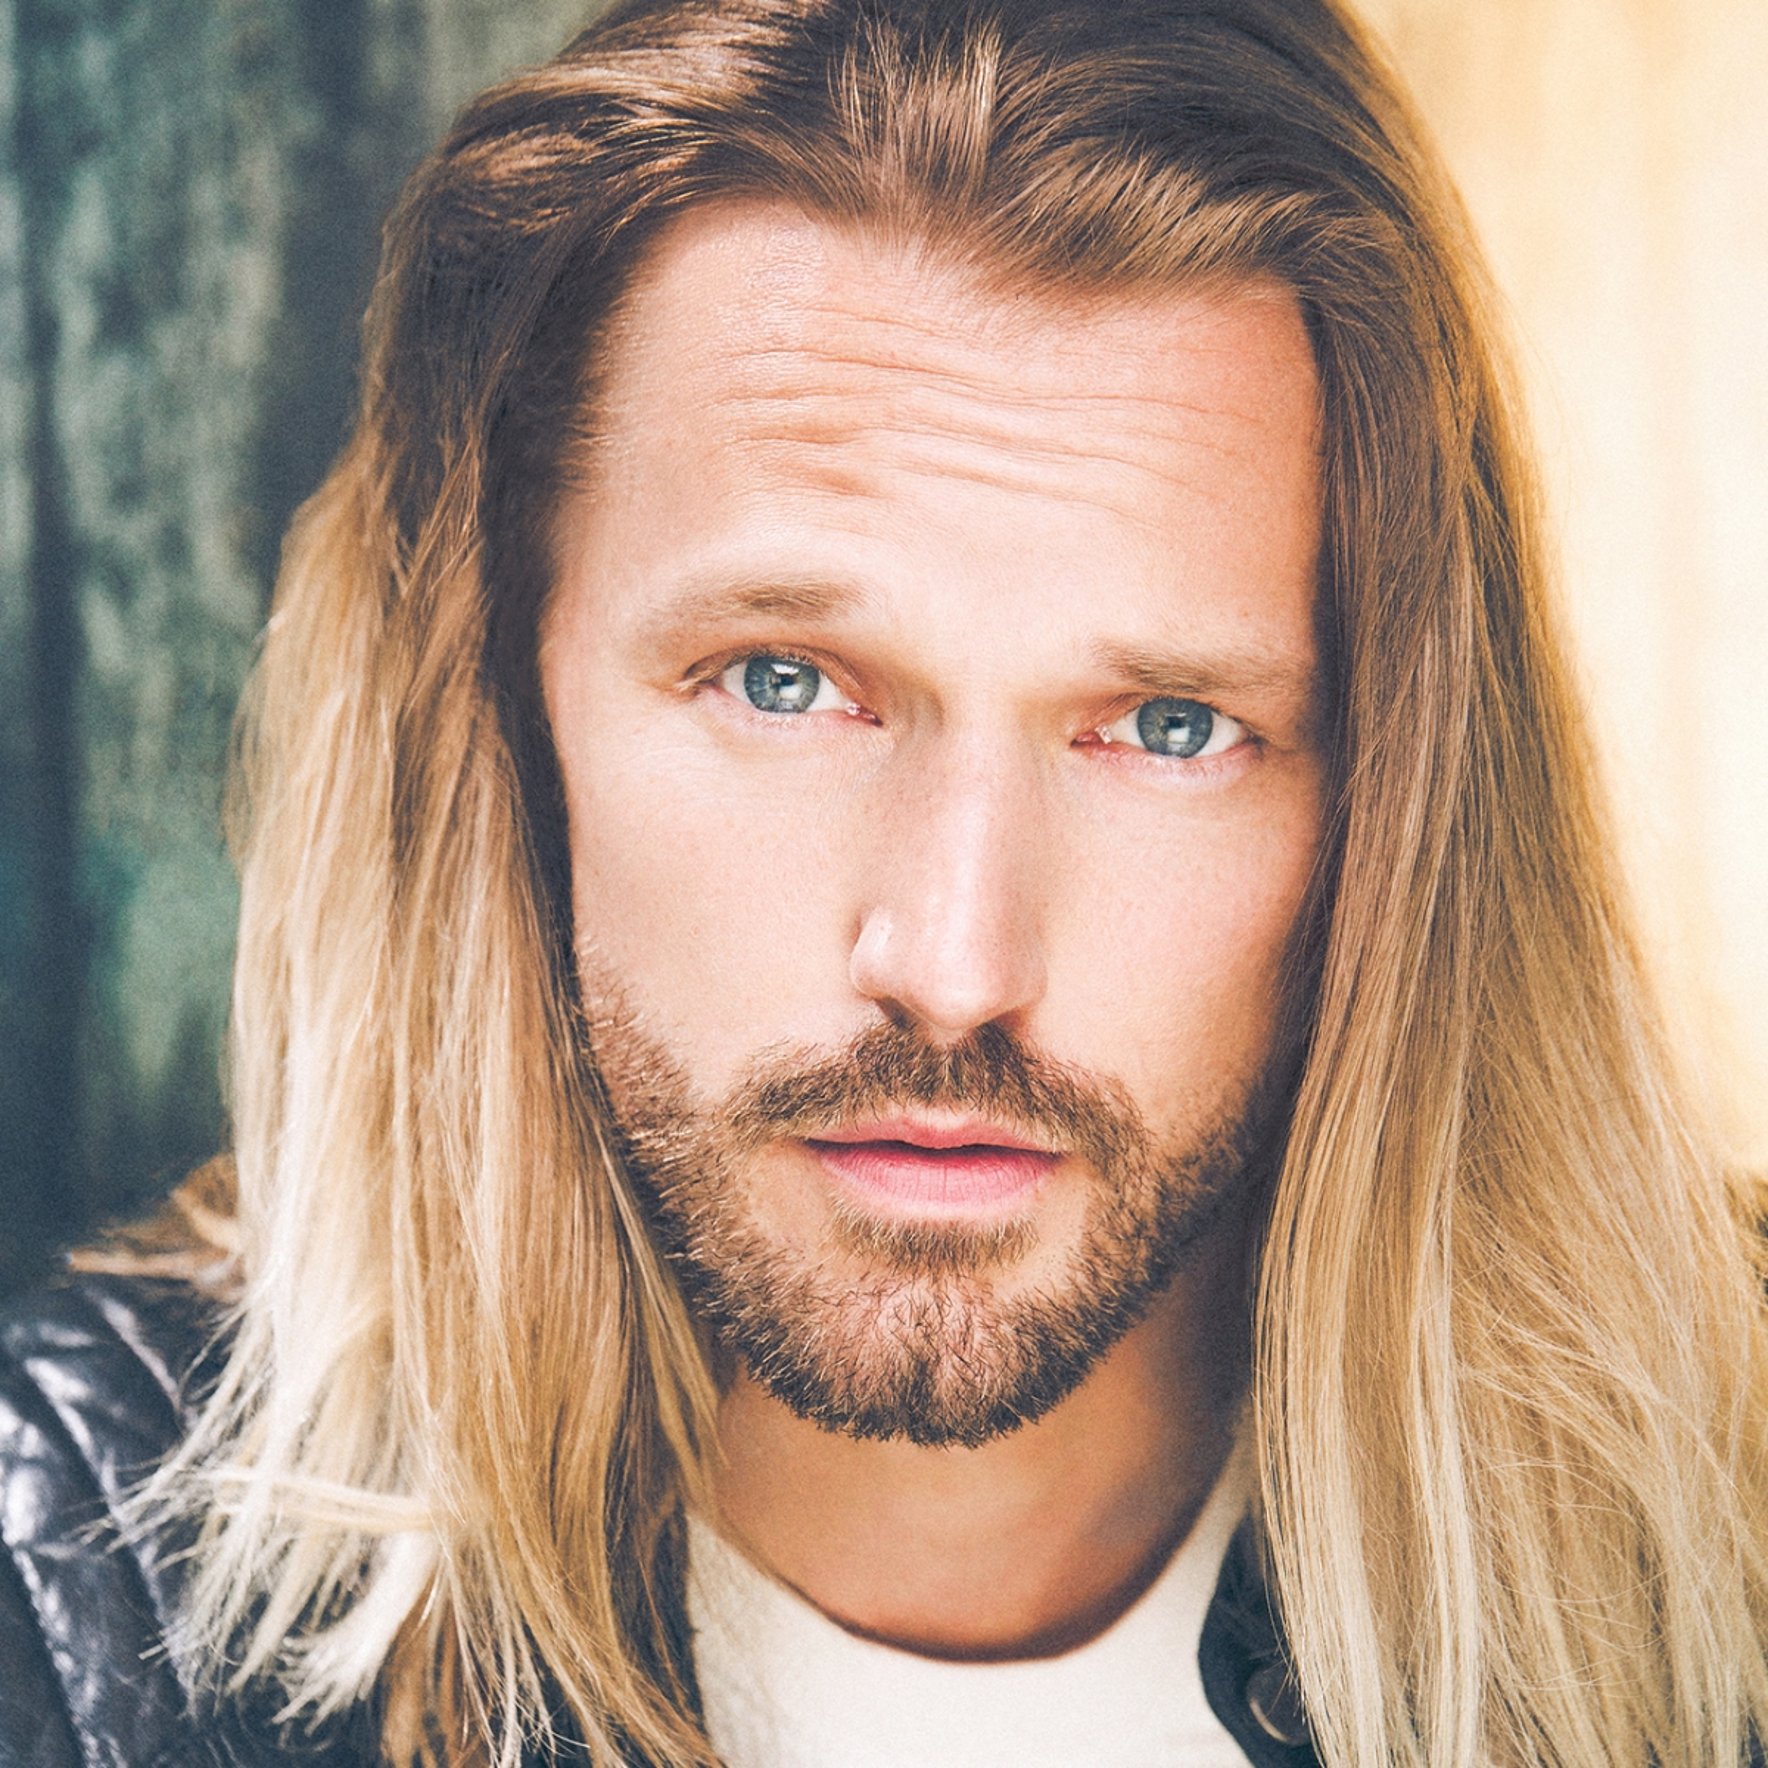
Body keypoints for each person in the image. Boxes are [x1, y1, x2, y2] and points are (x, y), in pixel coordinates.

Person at [2, 0, 1765, 1763]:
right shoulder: (75, 1610)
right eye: (783, 683)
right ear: (505, 704)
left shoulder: (1731, 1524)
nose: (954, 961)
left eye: (1169, 727)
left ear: (1396, 795)